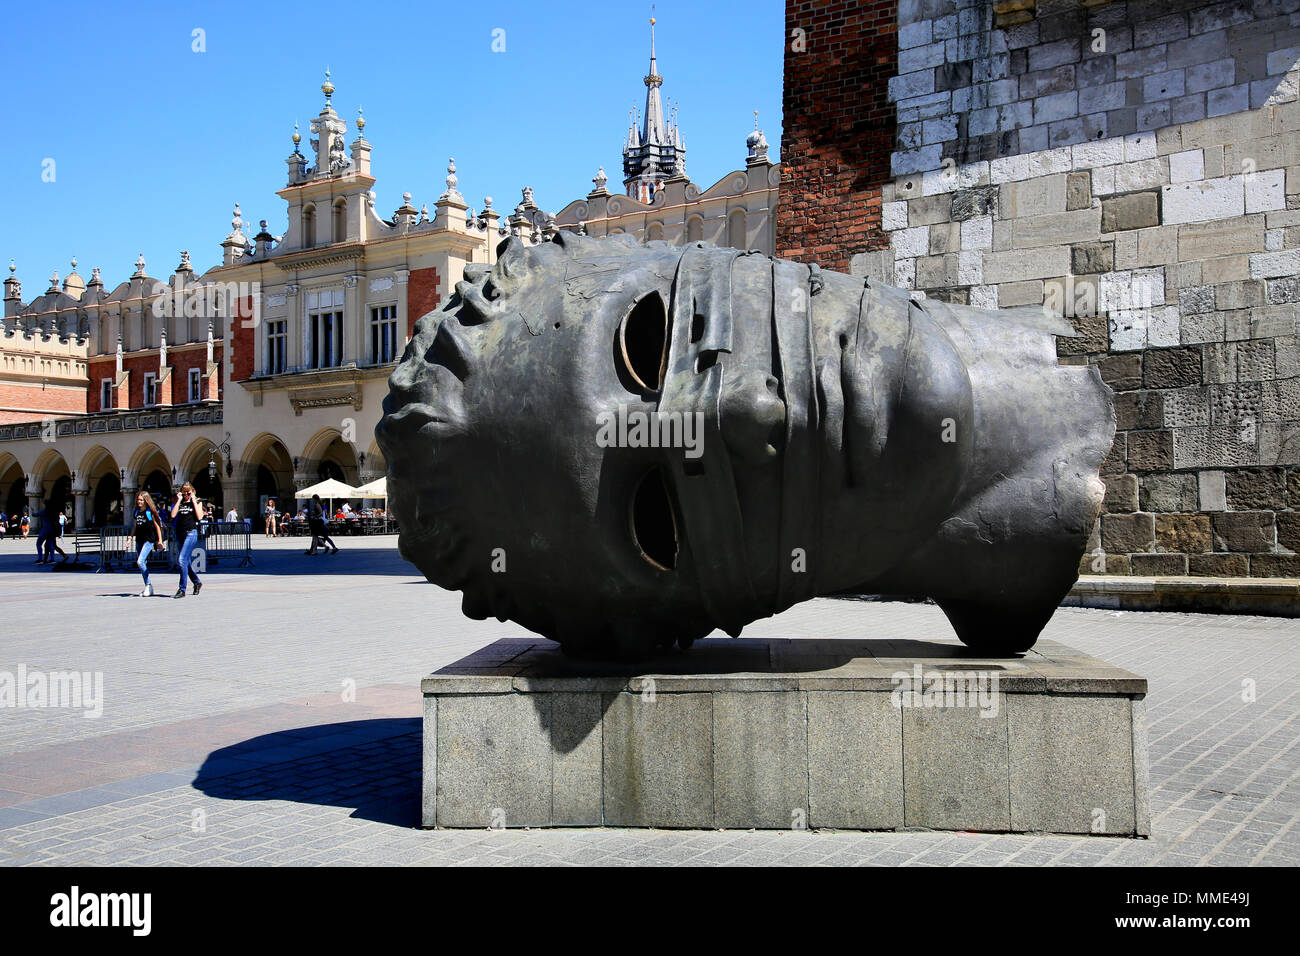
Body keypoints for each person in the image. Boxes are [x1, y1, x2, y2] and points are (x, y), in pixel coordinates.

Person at [170, 482, 205, 598]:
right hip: (180, 533)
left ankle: (182, 589)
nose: (186, 494)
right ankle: (196, 582)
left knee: (181, 560)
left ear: (192, 491)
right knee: (186, 561)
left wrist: (194, 500)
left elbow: (200, 517)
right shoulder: (179, 502)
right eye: (184, 492)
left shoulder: (197, 501)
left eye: (188, 492)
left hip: (191, 532)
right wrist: (179, 500)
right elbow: (173, 515)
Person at [132, 491, 165, 597]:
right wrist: (129, 537)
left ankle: (149, 585)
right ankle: (148, 586)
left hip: (149, 539)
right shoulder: (136, 512)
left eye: (141, 500)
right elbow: (135, 526)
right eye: (138, 500)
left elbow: (157, 526)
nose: (139, 502)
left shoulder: (149, 512)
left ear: (146, 500)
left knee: (140, 562)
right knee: (143, 563)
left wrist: (160, 541)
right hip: (139, 539)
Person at [35, 500, 67, 565]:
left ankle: (42, 559)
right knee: (50, 545)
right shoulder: (54, 512)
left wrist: (32, 511)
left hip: (45, 530)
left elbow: (35, 514)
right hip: (52, 531)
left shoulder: (44, 511)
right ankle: (49, 559)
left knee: (41, 544)